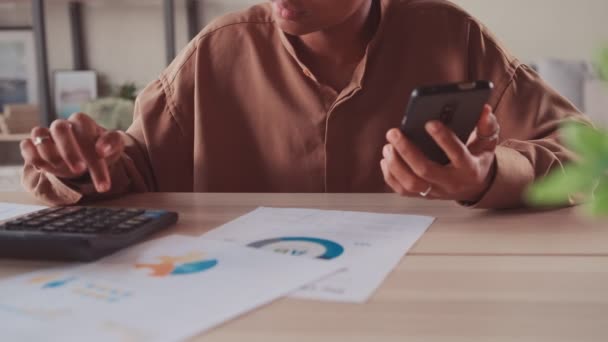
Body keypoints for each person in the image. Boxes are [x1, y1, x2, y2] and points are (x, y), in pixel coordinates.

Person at [21, 0, 586, 209]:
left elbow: (584, 154)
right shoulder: (216, 53)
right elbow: (132, 169)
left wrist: (488, 179)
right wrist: (83, 167)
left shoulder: (452, 36)